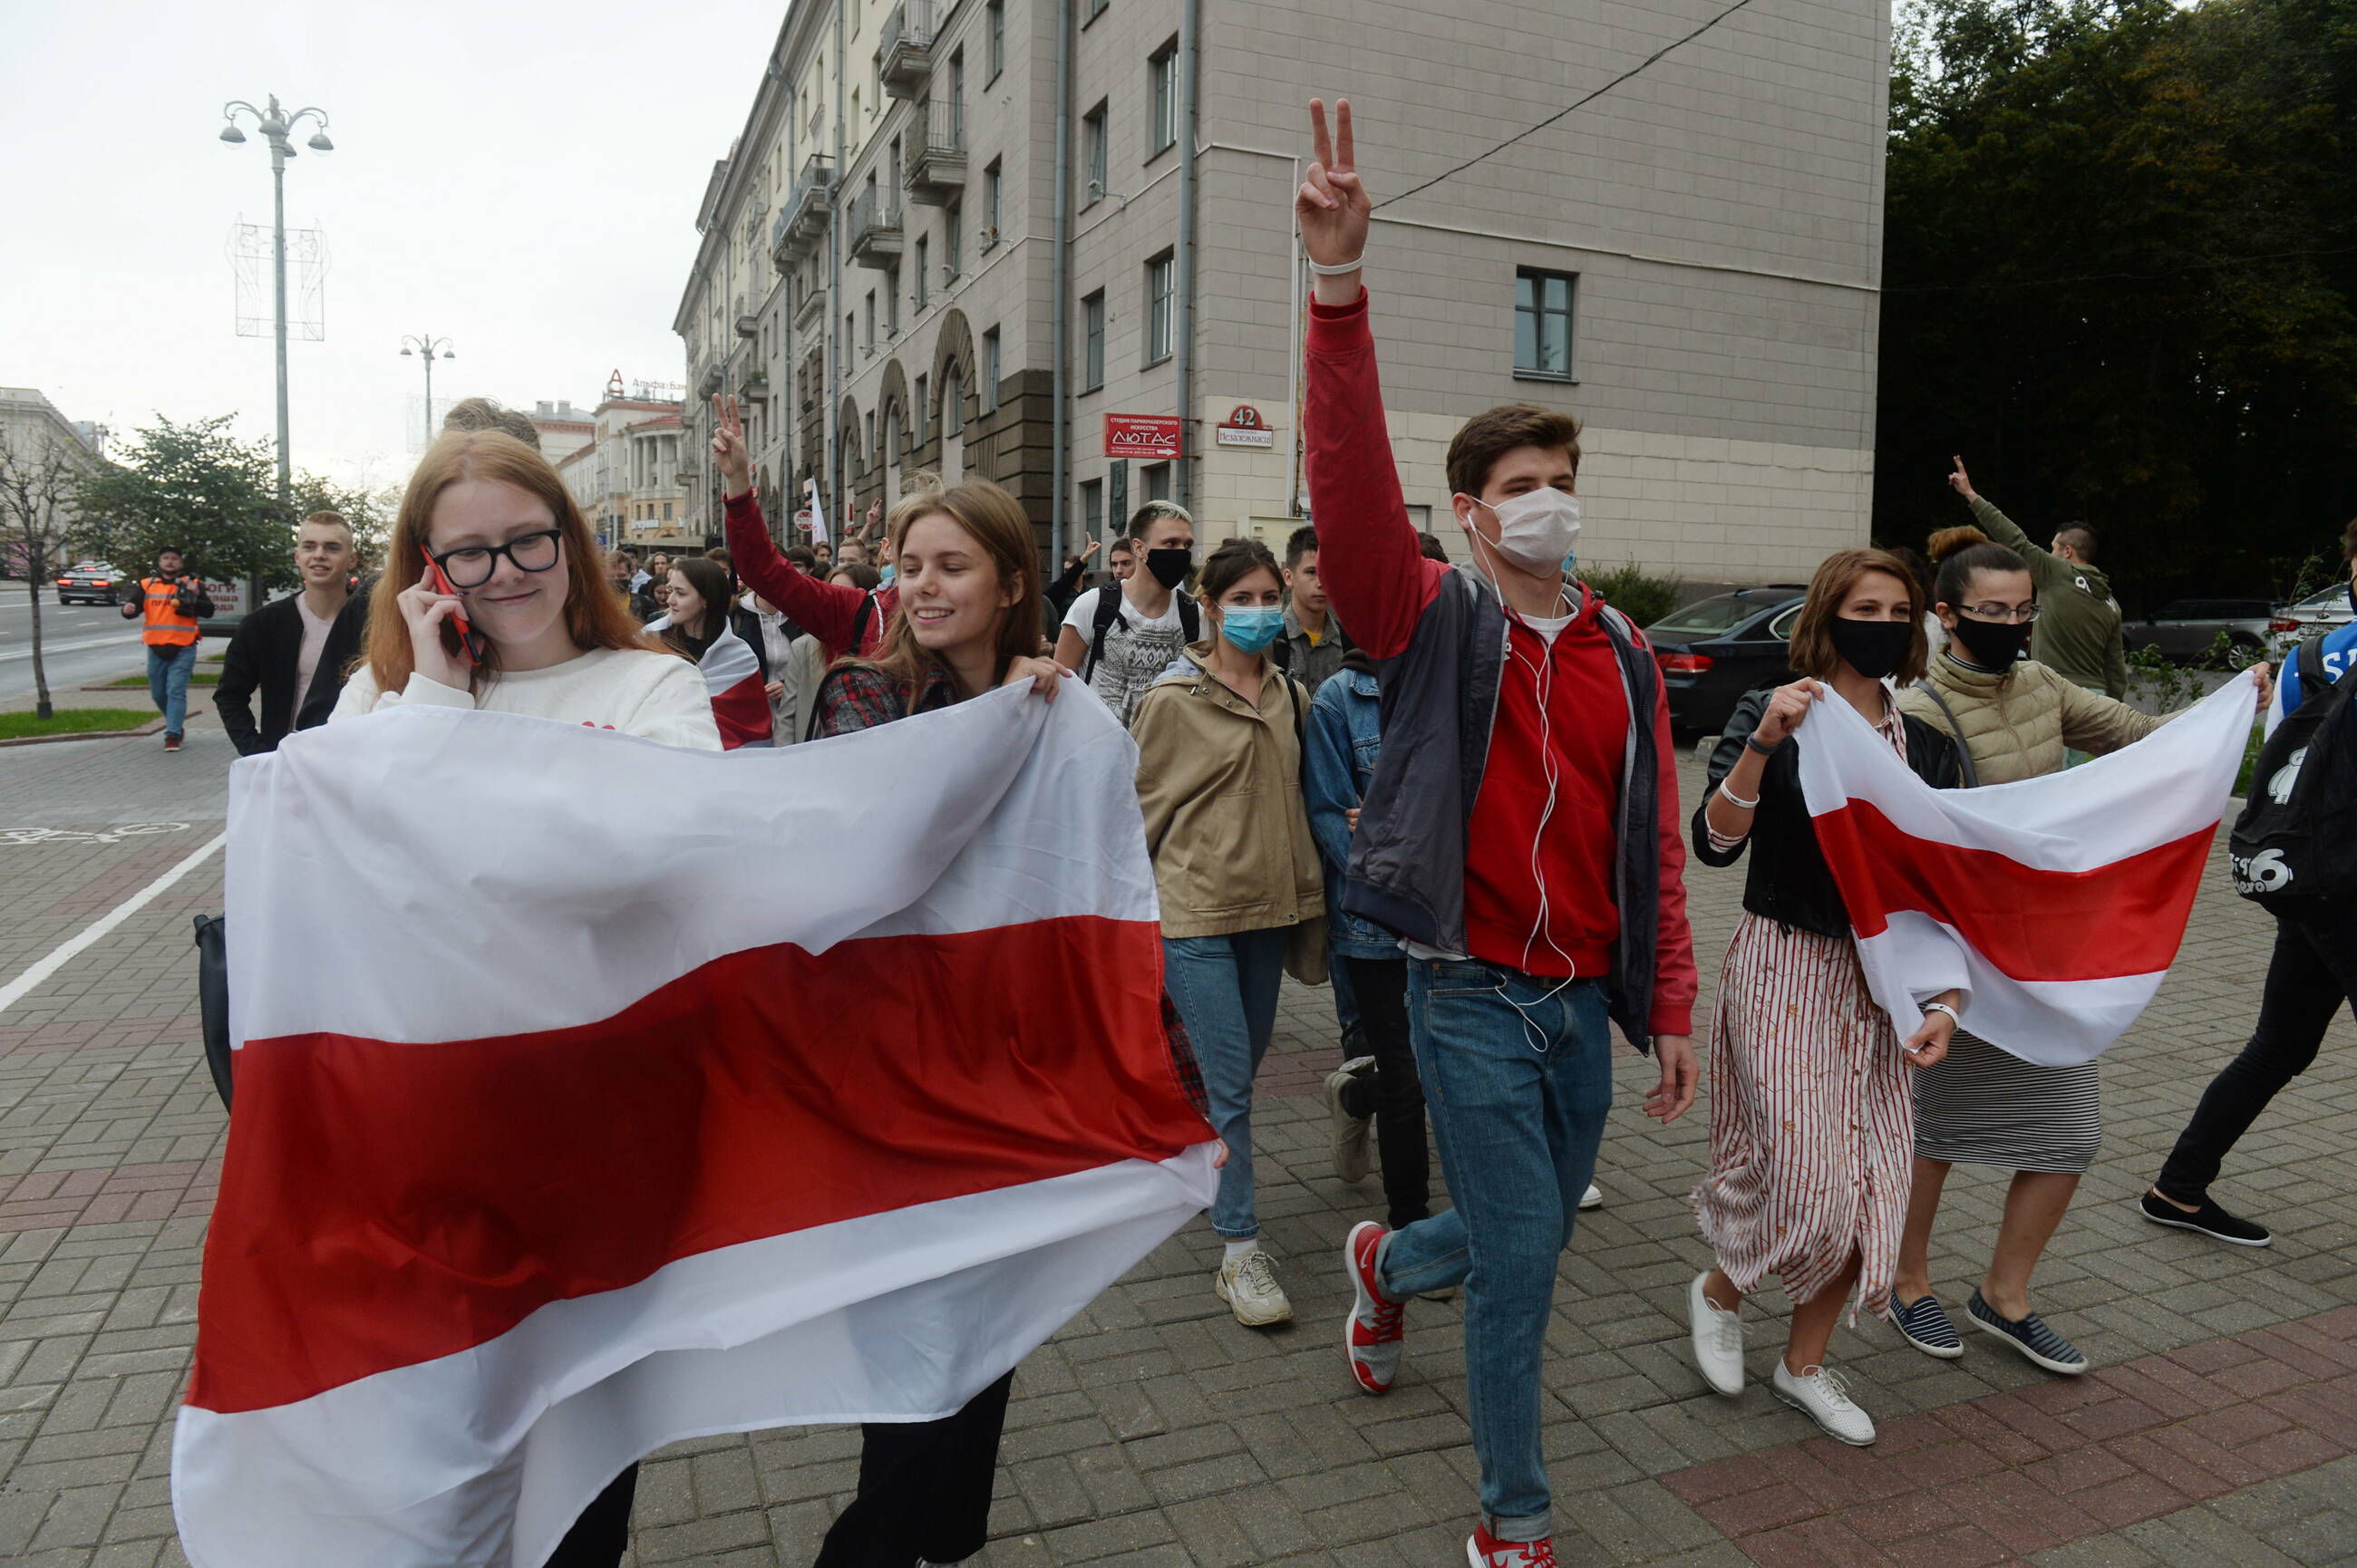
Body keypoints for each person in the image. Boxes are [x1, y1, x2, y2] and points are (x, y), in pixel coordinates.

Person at [1296, 99, 1697, 1568]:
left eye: (1559, 483)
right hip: (1462, 994)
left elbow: (1647, 842)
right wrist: (1339, 296)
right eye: (1518, 488)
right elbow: (1345, 525)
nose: (1547, 504)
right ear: (1470, 513)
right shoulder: (1434, 623)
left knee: (1530, 1236)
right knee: (1525, 1260)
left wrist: (1668, 1006)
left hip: (1578, 1003)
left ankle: (1385, 1261)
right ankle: (1513, 1523)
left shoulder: (1630, 656)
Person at [328, 427, 718, 1567]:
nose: (503, 574)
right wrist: (440, 699)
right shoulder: (381, 698)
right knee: (446, 1435)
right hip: (430, 1130)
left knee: (582, 1441)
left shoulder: (653, 683)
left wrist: (477, 846)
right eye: (467, 554)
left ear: (568, 537)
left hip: (601, 1131)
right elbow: (360, 875)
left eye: (526, 539)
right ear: (422, 569)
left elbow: (651, 868)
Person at [1888, 536, 2269, 1377]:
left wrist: (2231, 709)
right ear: (1946, 615)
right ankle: (1905, 1281)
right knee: (1933, 1134)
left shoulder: (2040, 684)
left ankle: (2004, 1297)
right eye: (1993, 613)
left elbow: (2142, 739)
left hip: (2040, 956)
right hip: (1955, 959)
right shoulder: (1912, 713)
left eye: (2025, 610)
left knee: (2064, 1136)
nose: (2013, 626)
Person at [795, 478, 1064, 1568]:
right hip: (883, 1076)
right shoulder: (863, 693)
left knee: (984, 1328)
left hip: (1003, 1066)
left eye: (950, 566)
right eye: (909, 566)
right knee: (910, 1340)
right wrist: (1010, 718)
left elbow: (1087, 883)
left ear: (1009, 583)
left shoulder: (1053, 708)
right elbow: (883, 857)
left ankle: (941, 1540)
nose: (921, 587)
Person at [1684, 549, 1965, 1447]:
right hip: (1785, 967)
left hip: (1882, 988)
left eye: (1897, 609)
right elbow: (1713, 843)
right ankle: (1719, 1288)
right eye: (1863, 606)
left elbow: (1949, 891)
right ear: (1825, 614)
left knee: (1870, 1189)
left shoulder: (1926, 745)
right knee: (1806, 1178)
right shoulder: (1779, 711)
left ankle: (1800, 1362)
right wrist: (1766, 738)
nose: (1881, 622)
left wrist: (1946, 1002)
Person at [2143, 516, 2357, 1247]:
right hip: (2346, 888)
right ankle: (2178, 1185)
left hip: (2308, 877)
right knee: (2278, 1045)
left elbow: (2280, 770)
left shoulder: (2311, 655)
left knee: (2280, 1045)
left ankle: (2179, 1186)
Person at [1130, 537, 1324, 1326]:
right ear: (1207, 608)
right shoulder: (1172, 700)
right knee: (1233, 1080)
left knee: (1229, 1071)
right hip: (1194, 912)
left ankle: (1187, 1153)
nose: (1257, 612)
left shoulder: (1292, 697)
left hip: (1269, 915)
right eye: (1238, 599)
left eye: (1266, 597)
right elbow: (1133, 814)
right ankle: (1239, 1249)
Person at [1305, 645, 1431, 1235]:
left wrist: (1388, 814)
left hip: (1452, 911)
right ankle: (1409, 1225)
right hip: (1377, 920)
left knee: (1442, 1061)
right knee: (1406, 1072)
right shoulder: (1339, 699)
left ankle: (1357, 1097)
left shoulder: (1451, 682)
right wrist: (1388, 869)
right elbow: (1331, 811)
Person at [712, 399, 897, 662]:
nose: (928, 583)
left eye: (952, 567)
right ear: (890, 552)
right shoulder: (862, 611)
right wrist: (738, 479)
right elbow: (763, 571)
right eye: (913, 567)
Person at [1945, 457, 2128, 699]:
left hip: (2056, 689)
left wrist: (1970, 495)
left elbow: (2015, 539)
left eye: (2053, 548)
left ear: (2067, 551)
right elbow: (2115, 667)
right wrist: (2114, 707)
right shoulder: (2111, 602)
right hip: (2097, 695)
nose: (2049, 554)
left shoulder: (2057, 571)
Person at [216, 512, 364, 756]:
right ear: (298, 556)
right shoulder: (263, 624)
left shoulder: (373, 623)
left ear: (352, 559)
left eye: (332, 547)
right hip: (289, 761)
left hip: (355, 760)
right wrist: (257, 753)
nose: (319, 555)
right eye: (309, 547)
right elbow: (230, 695)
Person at [1052, 501, 1201, 723]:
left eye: (1187, 545)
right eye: (1171, 543)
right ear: (1139, 548)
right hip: (1099, 751)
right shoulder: (1094, 605)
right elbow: (1059, 685)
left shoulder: (1194, 614)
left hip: (1165, 753)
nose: (1181, 552)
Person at [120, 546, 216, 752]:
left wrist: (195, 596)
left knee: (175, 690)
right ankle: (175, 722)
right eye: (166, 558)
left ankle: (172, 735)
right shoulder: (147, 585)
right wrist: (127, 610)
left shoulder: (192, 584)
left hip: (184, 645)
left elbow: (209, 611)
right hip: (155, 646)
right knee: (158, 693)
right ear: (159, 562)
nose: (170, 561)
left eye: (174, 558)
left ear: (180, 563)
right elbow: (132, 609)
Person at [1274, 525, 1350, 690]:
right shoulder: (1272, 639)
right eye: (1311, 572)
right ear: (1288, 577)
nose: (1321, 583)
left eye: (1328, 573)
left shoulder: (1347, 641)